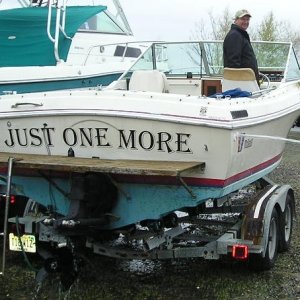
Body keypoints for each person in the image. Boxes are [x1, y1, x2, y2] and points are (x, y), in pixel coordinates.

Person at [223, 9, 259, 85]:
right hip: (241, 84)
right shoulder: (235, 35)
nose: (246, 22)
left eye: (247, 19)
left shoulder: (240, 35)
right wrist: (239, 84)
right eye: (243, 19)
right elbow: (233, 63)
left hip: (247, 81)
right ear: (235, 20)